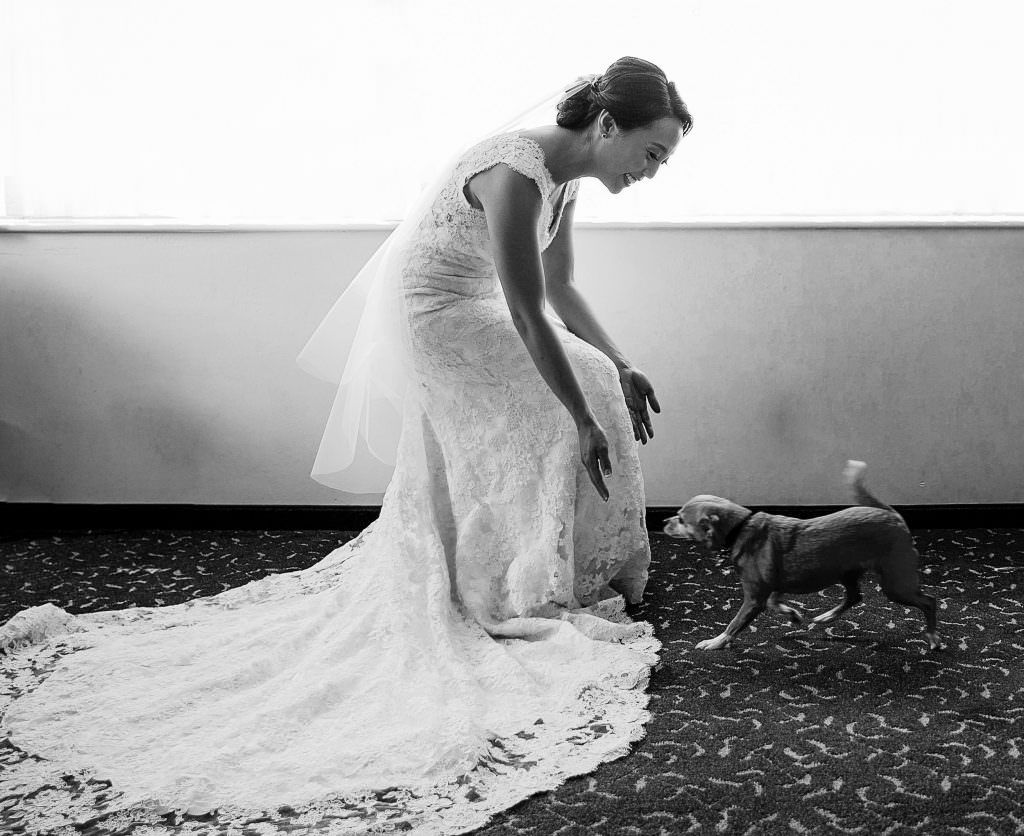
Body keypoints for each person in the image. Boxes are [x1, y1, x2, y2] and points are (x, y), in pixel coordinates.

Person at [0, 57, 692, 835]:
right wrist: (585, 418)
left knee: (596, 377)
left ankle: (546, 562)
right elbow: (531, 315)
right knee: (578, 397)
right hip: (436, 317)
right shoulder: (516, 173)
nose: (651, 172)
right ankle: (518, 574)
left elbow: (560, 289)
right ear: (608, 126)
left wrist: (622, 362)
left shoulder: (567, 179)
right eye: (651, 153)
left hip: (477, 305)